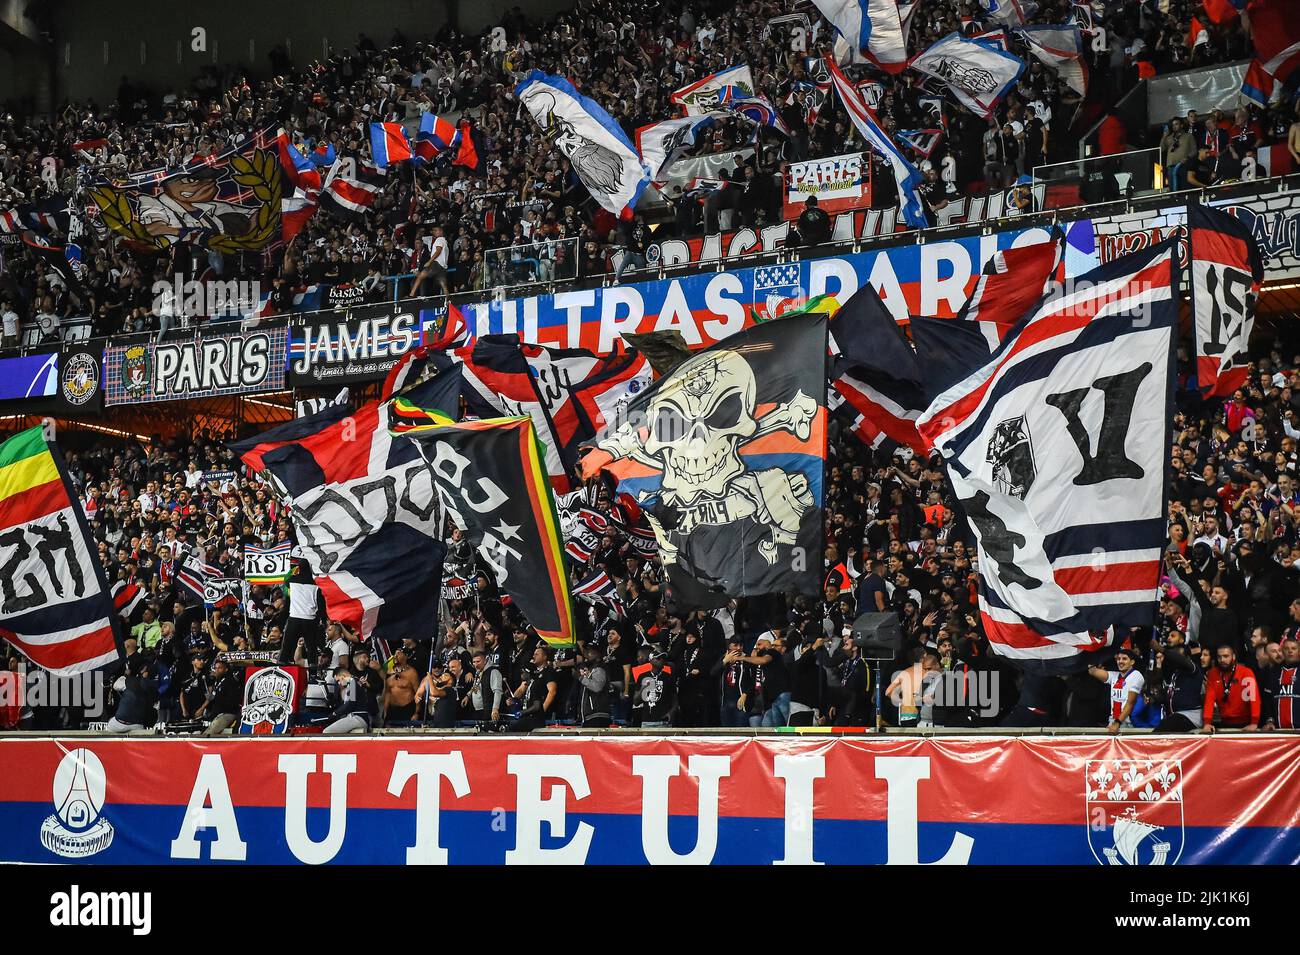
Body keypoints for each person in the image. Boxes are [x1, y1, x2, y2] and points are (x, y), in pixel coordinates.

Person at [1200, 645, 1260, 732]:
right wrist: (1207, 723)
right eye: (1219, 657)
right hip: (1224, 721)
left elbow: (1254, 698)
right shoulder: (1213, 674)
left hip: (1245, 723)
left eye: (1226, 656)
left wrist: (1254, 722)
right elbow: (1209, 699)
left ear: (1233, 657)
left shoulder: (1246, 672)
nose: (1222, 660)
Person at [1087, 647, 1145, 734]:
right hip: (1113, 720)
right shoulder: (1114, 675)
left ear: (1132, 662)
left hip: (1127, 722)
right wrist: (1091, 650)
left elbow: (1131, 702)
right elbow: (1092, 671)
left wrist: (1117, 723)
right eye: (1118, 659)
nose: (1120, 661)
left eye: (1124, 659)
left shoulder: (1136, 676)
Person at [509, 645, 558, 732]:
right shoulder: (531, 676)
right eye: (533, 654)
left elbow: (552, 692)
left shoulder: (548, 672)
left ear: (545, 657)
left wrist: (542, 711)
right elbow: (521, 689)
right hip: (529, 714)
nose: (533, 656)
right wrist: (513, 700)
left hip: (539, 715)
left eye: (537, 654)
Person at [105, 659, 159, 733]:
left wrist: (125, 675)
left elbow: (115, 686)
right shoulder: (155, 690)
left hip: (120, 723)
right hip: (138, 725)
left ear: (144, 673)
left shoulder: (130, 681)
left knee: (110, 725)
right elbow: (154, 712)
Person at [324, 665, 379, 734]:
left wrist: (335, 713)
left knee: (327, 732)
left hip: (358, 718)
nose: (339, 683)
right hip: (356, 718)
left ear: (343, 675)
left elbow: (350, 704)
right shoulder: (353, 683)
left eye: (338, 680)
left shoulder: (353, 682)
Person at [198, 657, 242, 736]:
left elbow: (232, 702)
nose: (217, 670)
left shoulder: (230, 681)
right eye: (216, 668)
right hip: (217, 714)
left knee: (208, 734)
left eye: (220, 668)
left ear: (226, 669)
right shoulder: (217, 681)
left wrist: (217, 700)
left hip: (228, 713)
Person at [632, 651, 676, 727]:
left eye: (663, 658)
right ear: (651, 660)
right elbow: (636, 702)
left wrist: (671, 712)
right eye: (658, 658)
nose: (661, 660)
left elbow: (675, 699)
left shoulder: (668, 677)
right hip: (647, 720)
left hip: (664, 721)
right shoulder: (643, 676)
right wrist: (643, 688)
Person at [576, 646, 612, 728]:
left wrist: (581, 678)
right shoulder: (592, 671)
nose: (587, 655)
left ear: (598, 655)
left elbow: (597, 687)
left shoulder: (599, 669)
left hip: (597, 716)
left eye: (591, 653)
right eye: (587, 653)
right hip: (591, 716)